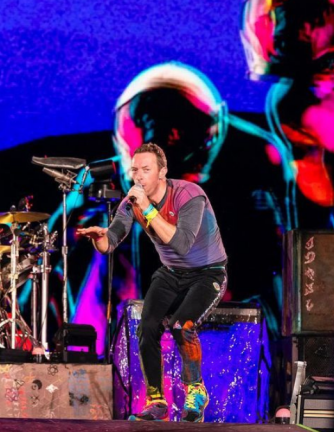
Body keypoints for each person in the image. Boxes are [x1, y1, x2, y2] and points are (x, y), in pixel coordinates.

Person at [78, 143, 228, 422]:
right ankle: (156, 401)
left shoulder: (189, 195)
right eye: (135, 170)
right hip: (171, 272)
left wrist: (147, 208)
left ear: (162, 171)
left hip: (207, 272)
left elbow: (181, 243)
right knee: (147, 327)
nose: (138, 176)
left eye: (146, 169)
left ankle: (195, 390)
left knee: (182, 326)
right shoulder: (131, 203)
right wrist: (100, 238)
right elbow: (111, 242)